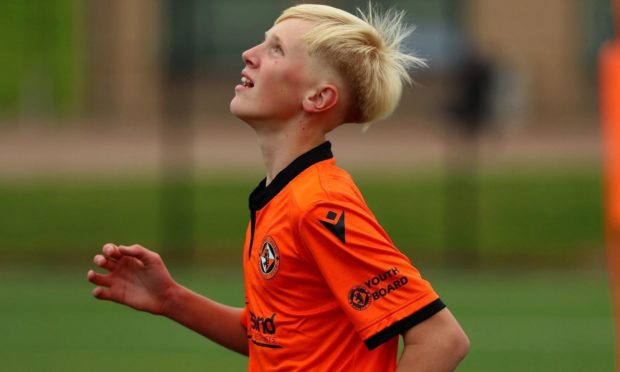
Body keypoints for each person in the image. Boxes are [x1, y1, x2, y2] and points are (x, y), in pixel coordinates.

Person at [87, 4, 470, 371]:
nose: (249, 54)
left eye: (276, 50)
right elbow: (272, 334)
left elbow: (441, 338)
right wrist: (170, 299)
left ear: (318, 97)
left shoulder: (320, 204)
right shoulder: (282, 197)